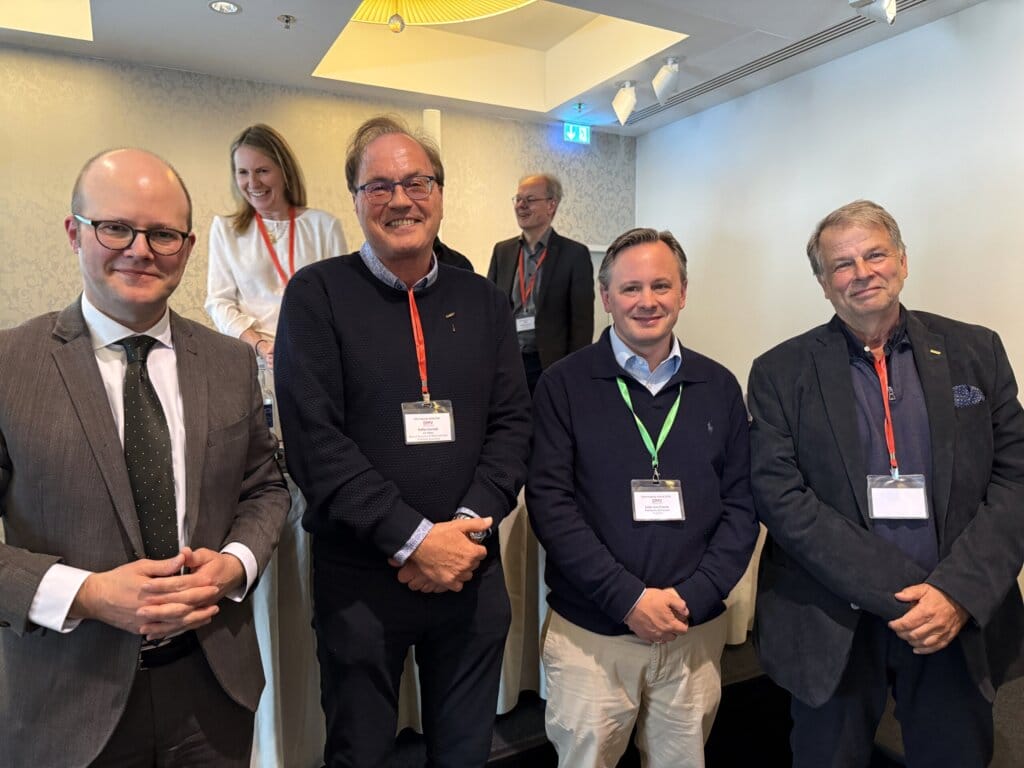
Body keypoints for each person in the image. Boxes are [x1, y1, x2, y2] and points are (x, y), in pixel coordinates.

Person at [0, 148, 290, 767]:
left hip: (214, 689)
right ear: (74, 232)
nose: (140, 250)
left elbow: (264, 486)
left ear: (187, 247)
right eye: (116, 228)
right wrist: (85, 593)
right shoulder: (10, 365)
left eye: (162, 234)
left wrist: (235, 564)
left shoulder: (229, 361)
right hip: (67, 700)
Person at [274, 116, 532, 767]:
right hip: (362, 580)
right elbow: (314, 443)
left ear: (439, 193)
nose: (400, 199)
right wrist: (415, 539)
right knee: (360, 754)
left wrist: (463, 534)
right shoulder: (316, 296)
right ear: (355, 198)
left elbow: (512, 427)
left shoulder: (485, 302)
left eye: (417, 182)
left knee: (465, 754)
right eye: (379, 186)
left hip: (471, 571)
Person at [748, 199, 1024, 767]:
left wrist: (955, 593)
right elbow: (781, 497)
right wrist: (906, 592)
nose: (862, 272)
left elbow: (1015, 477)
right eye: (842, 264)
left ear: (902, 260)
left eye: (875, 255)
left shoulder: (977, 351)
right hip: (833, 621)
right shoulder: (780, 371)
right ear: (823, 283)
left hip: (954, 615)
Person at [528, 227, 758, 768]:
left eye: (661, 285)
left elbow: (743, 506)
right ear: (606, 297)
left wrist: (694, 597)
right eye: (630, 288)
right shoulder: (562, 385)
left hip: (691, 632)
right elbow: (551, 505)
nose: (647, 301)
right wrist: (628, 599)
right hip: (593, 640)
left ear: (683, 293)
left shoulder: (719, 386)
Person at [205, 123, 345, 369]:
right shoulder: (225, 230)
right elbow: (219, 302)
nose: (253, 183)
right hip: (254, 361)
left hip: (313, 358)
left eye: (262, 171)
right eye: (243, 172)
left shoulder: (324, 226)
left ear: (284, 172)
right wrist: (259, 344)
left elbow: (340, 302)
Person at [487, 173, 594, 392]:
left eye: (530, 200)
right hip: (507, 363)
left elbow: (582, 325)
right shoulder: (502, 251)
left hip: (550, 366)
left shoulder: (575, 254)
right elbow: (490, 309)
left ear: (551, 205)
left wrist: (575, 373)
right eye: (518, 199)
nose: (521, 206)